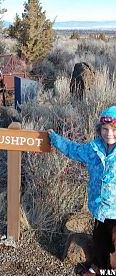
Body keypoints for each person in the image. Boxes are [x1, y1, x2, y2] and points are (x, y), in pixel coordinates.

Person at [48, 105, 116, 276]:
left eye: (114, 130)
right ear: (99, 129)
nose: (109, 134)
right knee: (100, 239)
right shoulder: (93, 149)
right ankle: (98, 267)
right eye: (105, 129)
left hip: (115, 210)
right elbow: (73, 150)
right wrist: (55, 139)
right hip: (99, 207)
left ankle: (109, 271)